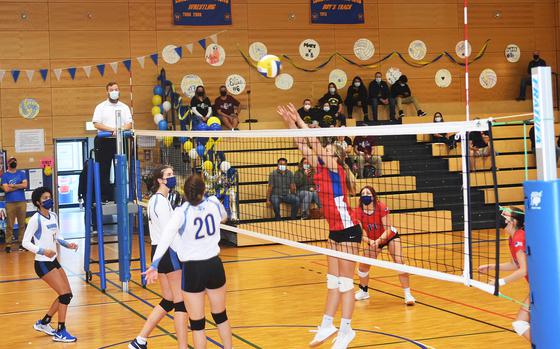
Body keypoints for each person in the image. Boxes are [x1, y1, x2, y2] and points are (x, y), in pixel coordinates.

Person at [277, 103, 361, 349]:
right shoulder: (320, 168)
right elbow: (302, 144)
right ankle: (327, 324)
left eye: (327, 149)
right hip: (334, 233)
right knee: (332, 281)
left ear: (335, 157)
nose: (322, 150)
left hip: (349, 232)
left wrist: (302, 121)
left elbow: (312, 141)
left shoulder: (336, 170)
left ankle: (346, 330)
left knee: (346, 283)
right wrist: (290, 122)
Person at [144, 174, 232, 349]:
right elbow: (223, 217)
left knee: (197, 324)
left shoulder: (181, 212)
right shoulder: (213, 202)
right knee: (220, 315)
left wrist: (154, 264)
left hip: (193, 269)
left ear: (185, 192)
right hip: (214, 265)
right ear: (204, 189)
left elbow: (165, 238)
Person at [129, 165, 188, 349]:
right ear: (160, 180)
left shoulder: (157, 200)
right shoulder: (160, 202)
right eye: (168, 175)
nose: (172, 177)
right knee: (181, 302)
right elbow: (168, 234)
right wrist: (183, 254)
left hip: (158, 250)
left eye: (172, 174)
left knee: (168, 300)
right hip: (167, 251)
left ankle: (140, 340)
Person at [22, 187, 78, 342]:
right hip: (42, 263)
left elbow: (57, 237)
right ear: (38, 202)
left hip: (53, 261)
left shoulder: (53, 215)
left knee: (67, 294)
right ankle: (61, 331)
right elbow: (25, 242)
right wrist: (42, 251)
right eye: (45, 198)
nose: (49, 200)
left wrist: (68, 245)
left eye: (49, 197)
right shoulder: (35, 219)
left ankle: (44, 322)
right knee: (64, 295)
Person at [353, 186, 416, 305]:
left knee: (399, 261)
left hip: (389, 236)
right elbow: (361, 234)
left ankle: (408, 295)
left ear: (373, 196)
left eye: (368, 193)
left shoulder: (381, 207)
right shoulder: (357, 212)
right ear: (361, 197)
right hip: (374, 240)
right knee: (362, 267)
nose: (366, 195)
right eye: (363, 193)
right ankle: (364, 291)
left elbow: (387, 229)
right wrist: (371, 241)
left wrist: (378, 240)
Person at [478, 207, 529, 341]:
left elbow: (524, 270)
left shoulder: (519, 236)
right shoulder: (512, 238)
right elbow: (514, 264)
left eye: (504, 215)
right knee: (520, 324)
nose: (500, 216)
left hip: (546, 287)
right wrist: (490, 267)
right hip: (538, 288)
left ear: (512, 221)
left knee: (522, 324)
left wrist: (500, 282)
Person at [92, 82, 133, 201]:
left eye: (116, 89)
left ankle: (120, 197)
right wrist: (112, 130)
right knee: (103, 170)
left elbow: (129, 124)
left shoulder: (124, 107)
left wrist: (120, 130)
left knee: (120, 169)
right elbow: (96, 124)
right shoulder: (101, 107)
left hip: (120, 141)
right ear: (107, 92)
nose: (114, 91)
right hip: (104, 141)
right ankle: (104, 198)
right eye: (112, 90)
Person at [1, 157, 27, 252]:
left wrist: (13, 185)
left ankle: (22, 244)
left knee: (21, 224)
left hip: (21, 202)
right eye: (12, 161)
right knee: (9, 225)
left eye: (15, 161)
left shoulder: (22, 174)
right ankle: (8, 245)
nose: (14, 163)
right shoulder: (5, 175)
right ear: (8, 163)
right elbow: (6, 189)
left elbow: (25, 185)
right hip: (10, 203)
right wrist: (19, 186)